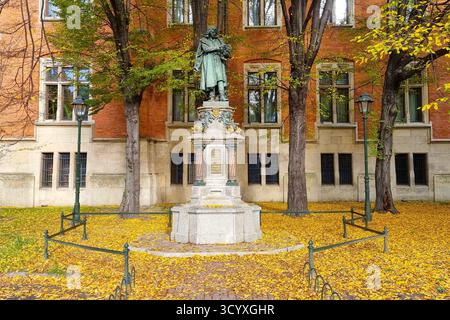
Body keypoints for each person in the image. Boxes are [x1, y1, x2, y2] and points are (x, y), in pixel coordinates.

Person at [193, 27, 231, 101]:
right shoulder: (203, 41)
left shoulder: (219, 41)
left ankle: (222, 96)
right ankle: (211, 97)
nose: (214, 33)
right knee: (211, 79)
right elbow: (204, 50)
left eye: (215, 32)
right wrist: (197, 65)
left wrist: (226, 52)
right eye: (212, 32)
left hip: (218, 60)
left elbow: (224, 50)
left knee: (220, 78)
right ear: (209, 32)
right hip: (209, 60)